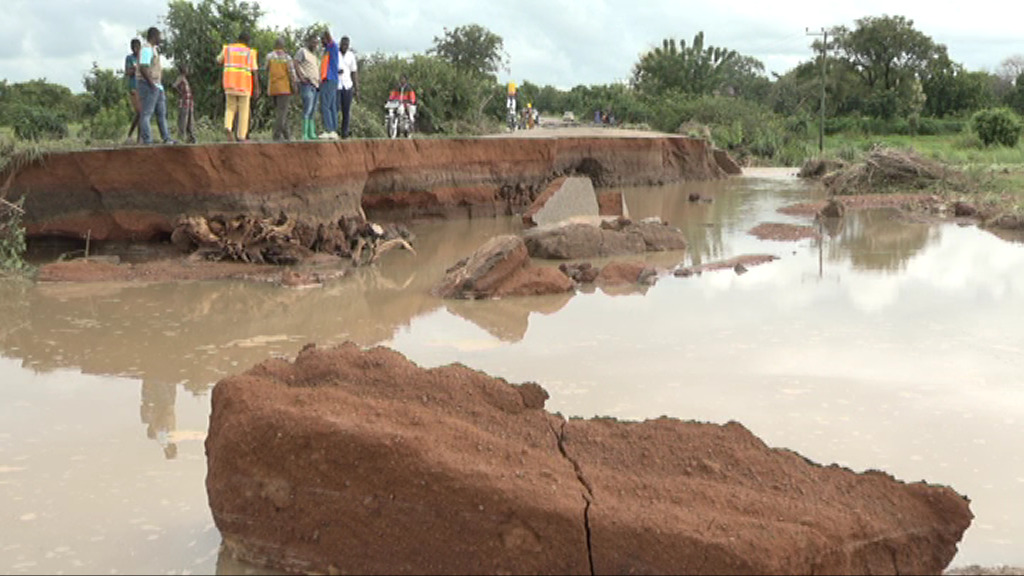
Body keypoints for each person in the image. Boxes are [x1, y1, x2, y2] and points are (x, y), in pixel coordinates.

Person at [217, 31, 260, 142]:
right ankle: (241, 136)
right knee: (243, 111)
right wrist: (257, 88)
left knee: (230, 108)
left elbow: (218, 61)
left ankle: (228, 126)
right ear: (247, 41)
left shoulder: (227, 49)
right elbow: (254, 71)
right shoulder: (250, 52)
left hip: (229, 83)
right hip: (244, 85)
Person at [137, 27, 175, 145]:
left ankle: (166, 138)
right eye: (159, 36)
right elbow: (143, 67)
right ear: (154, 36)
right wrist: (151, 84)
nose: (160, 39)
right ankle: (148, 141)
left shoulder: (153, 49)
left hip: (157, 85)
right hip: (148, 84)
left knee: (161, 113)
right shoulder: (147, 49)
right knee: (147, 114)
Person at [265, 37, 298, 141]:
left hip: (273, 88)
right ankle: (276, 136)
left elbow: (266, 69)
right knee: (282, 113)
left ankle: (287, 135)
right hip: (284, 88)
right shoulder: (287, 58)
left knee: (281, 112)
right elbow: (292, 74)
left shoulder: (269, 56)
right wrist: (294, 86)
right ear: (283, 46)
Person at [293, 34, 320, 140]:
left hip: (316, 85)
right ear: (308, 42)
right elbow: (295, 63)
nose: (315, 45)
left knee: (313, 109)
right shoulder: (302, 51)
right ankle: (304, 133)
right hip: (307, 84)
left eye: (316, 43)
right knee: (307, 108)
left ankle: (311, 132)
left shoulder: (314, 56)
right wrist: (301, 77)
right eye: (313, 42)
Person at [318, 31, 340, 139]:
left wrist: (325, 32)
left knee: (325, 105)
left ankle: (329, 129)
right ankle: (333, 130)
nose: (321, 42)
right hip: (328, 80)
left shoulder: (333, 47)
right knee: (331, 106)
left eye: (323, 39)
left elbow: (329, 38)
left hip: (330, 79)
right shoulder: (326, 50)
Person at [337, 36, 359, 139]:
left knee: (346, 111)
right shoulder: (335, 53)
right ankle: (334, 130)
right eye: (343, 44)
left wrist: (356, 88)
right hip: (337, 85)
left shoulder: (351, 55)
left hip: (347, 85)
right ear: (340, 44)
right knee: (336, 109)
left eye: (346, 45)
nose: (344, 46)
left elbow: (354, 72)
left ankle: (344, 132)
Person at [171, 62, 197, 144]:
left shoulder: (184, 79)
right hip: (184, 102)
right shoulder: (181, 78)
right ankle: (182, 136)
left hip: (189, 103)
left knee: (190, 120)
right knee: (183, 120)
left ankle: (190, 137)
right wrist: (180, 93)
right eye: (186, 68)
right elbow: (174, 86)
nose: (188, 70)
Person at [124, 39, 142, 143]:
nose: (136, 50)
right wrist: (135, 68)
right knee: (139, 112)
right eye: (133, 48)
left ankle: (140, 138)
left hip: (143, 88)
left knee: (142, 114)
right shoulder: (130, 58)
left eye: (137, 47)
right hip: (134, 88)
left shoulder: (143, 58)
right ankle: (130, 134)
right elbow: (127, 72)